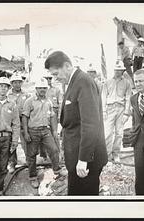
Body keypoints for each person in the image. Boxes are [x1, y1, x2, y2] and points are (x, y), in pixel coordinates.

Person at [45, 51, 107, 195]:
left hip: (86, 160)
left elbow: (90, 124)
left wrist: (84, 159)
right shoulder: (73, 82)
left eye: (56, 74)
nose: (55, 78)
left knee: (85, 200)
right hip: (77, 155)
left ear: (67, 66)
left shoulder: (83, 81)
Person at [22, 78, 67, 188]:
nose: (42, 90)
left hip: (45, 130)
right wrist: (26, 133)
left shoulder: (48, 101)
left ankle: (57, 170)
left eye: (44, 88)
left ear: (46, 89)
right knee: (31, 155)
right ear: (36, 89)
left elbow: (52, 116)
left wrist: (54, 131)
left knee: (54, 150)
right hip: (33, 131)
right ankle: (33, 177)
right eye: (40, 88)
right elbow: (24, 117)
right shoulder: (30, 101)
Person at [101, 60, 132, 163]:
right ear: (114, 70)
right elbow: (103, 97)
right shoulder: (107, 82)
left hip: (121, 109)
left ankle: (116, 154)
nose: (117, 72)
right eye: (116, 70)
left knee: (119, 133)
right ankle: (107, 155)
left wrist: (126, 113)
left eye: (119, 70)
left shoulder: (127, 83)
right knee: (108, 133)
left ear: (122, 71)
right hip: (109, 109)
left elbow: (128, 98)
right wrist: (104, 111)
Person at [7, 73, 30, 173]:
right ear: (12, 83)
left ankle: (29, 160)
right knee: (12, 142)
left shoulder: (27, 95)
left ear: (21, 83)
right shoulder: (8, 95)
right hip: (11, 122)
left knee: (26, 141)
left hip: (23, 120)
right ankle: (12, 162)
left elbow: (30, 108)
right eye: (15, 82)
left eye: (19, 82)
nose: (17, 84)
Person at [40, 72, 63, 161]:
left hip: (54, 112)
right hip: (44, 112)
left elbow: (60, 102)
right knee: (43, 133)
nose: (48, 80)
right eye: (46, 78)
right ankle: (44, 155)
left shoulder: (56, 90)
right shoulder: (41, 89)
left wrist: (59, 115)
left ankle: (58, 154)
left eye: (50, 78)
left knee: (55, 133)